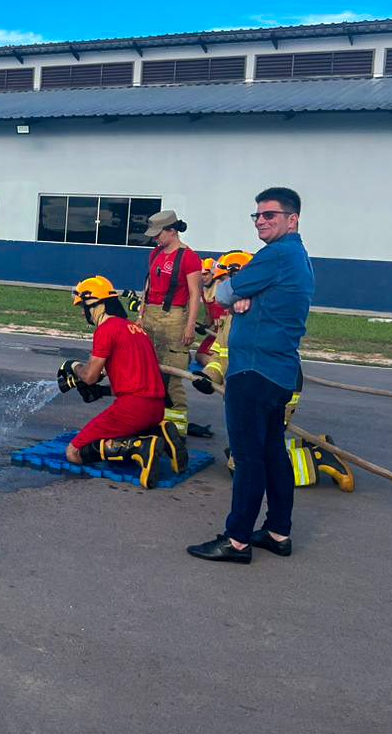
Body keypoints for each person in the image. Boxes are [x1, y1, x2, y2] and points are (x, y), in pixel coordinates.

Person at [187, 188, 314, 564]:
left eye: (270, 215)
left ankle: (237, 539)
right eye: (257, 215)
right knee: (273, 452)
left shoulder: (276, 255)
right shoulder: (299, 258)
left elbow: (224, 292)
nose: (261, 220)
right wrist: (246, 298)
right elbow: (236, 296)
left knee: (248, 457)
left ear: (293, 219)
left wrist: (237, 296)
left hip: (253, 370)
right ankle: (278, 531)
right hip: (279, 370)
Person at [197, 251, 354, 493]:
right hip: (255, 385)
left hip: (275, 383)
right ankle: (315, 445)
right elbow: (222, 353)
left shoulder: (260, 309)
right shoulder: (231, 316)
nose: (222, 287)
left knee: (249, 463)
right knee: (252, 451)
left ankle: (319, 459)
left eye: (225, 280)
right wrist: (209, 376)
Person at [57, 276, 188, 489]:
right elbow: (134, 376)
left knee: (74, 453)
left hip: (133, 410)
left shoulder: (106, 330)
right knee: (117, 435)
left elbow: (89, 375)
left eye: (83, 306)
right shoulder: (135, 330)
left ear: (95, 304)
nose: (83, 312)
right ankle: (159, 432)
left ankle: (141, 447)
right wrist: (101, 391)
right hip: (156, 409)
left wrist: (72, 366)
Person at [137, 210, 204, 436]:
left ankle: (177, 431)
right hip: (150, 317)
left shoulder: (189, 257)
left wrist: (190, 326)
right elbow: (148, 285)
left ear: (172, 231)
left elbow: (195, 294)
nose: (155, 238)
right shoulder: (155, 253)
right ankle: (151, 419)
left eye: (158, 234)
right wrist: (141, 314)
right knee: (147, 371)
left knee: (173, 375)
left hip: (175, 318)